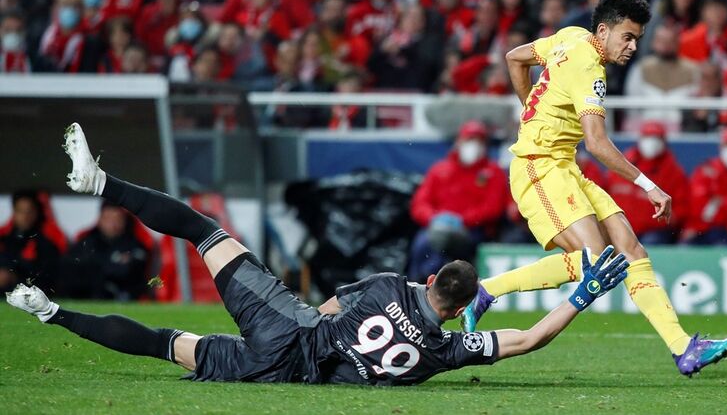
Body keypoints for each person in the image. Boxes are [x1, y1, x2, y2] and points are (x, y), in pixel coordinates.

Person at [7, 123, 630, 386]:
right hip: (279, 373)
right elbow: (528, 340)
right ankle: (51, 313)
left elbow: (331, 307)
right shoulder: (443, 353)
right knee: (165, 345)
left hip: (288, 328)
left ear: (434, 274)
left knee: (203, 231)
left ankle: (100, 183)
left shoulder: (390, 285)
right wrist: (581, 296)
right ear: (464, 305)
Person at [462, 0, 727, 376]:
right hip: (538, 166)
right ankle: (487, 290)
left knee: (631, 251)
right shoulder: (591, 69)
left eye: (637, 39)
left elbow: (515, 57)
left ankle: (683, 348)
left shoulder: (571, 35)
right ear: (604, 31)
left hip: (564, 166)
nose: (633, 47)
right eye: (627, 37)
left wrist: (530, 109)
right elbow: (596, 143)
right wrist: (648, 184)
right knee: (595, 261)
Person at [408, 121, 509, 282]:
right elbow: (420, 203)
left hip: (473, 231)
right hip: (436, 227)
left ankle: (436, 284)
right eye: (469, 140)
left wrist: (463, 220)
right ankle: (420, 284)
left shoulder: (493, 172)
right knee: (425, 242)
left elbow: (493, 207)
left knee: (441, 241)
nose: (473, 145)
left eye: (479, 141)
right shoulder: (439, 170)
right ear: (459, 142)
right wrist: (434, 218)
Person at [603, 122, 688, 244]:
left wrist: (665, 221)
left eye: (656, 138)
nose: (651, 143)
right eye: (647, 137)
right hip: (620, 227)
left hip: (653, 231)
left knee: (650, 242)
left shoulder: (673, 171)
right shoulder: (623, 165)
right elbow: (604, 194)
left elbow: (681, 209)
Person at [59, 202, 153, 300]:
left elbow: (131, 271)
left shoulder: (134, 244)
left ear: (124, 221)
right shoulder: (87, 242)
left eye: (117, 219)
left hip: (124, 297)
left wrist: (97, 267)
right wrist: (110, 265)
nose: (112, 224)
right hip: (88, 295)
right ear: (100, 220)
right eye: (108, 219)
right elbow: (69, 267)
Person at [0, 190, 66, 293]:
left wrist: (13, 278)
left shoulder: (46, 244)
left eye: (29, 211)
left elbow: (49, 280)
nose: (25, 217)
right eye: (20, 211)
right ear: (14, 212)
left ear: (36, 213)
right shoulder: (4, 240)